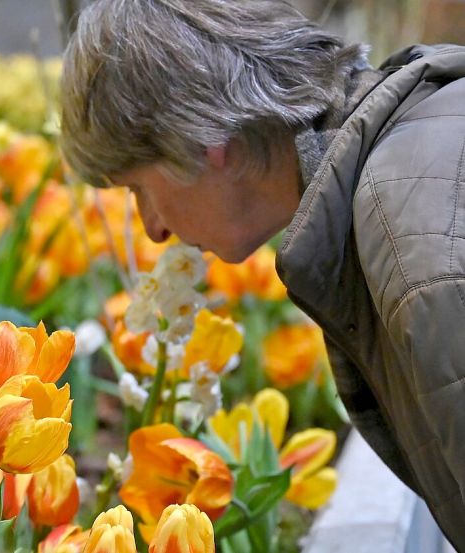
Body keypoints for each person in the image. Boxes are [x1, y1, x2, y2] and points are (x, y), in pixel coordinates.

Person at [59, 0, 465, 547]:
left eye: (139, 189)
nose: (152, 230)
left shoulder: (413, 241)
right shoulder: (409, 160)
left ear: (202, 137)